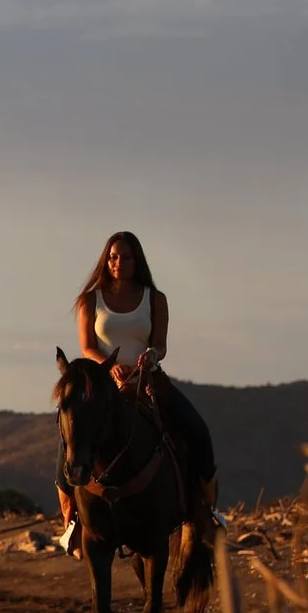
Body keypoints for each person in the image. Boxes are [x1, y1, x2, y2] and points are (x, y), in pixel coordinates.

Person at [57, 229, 217, 552]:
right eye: (113, 257)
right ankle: (72, 521)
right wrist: (108, 365)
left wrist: (152, 355)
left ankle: (206, 515)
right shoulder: (90, 300)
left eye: (126, 257)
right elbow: (87, 346)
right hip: (103, 383)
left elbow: (161, 343)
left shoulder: (155, 299)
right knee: (69, 435)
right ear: (107, 259)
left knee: (198, 430)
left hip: (149, 380)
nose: (119, 263)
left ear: (137, 260)